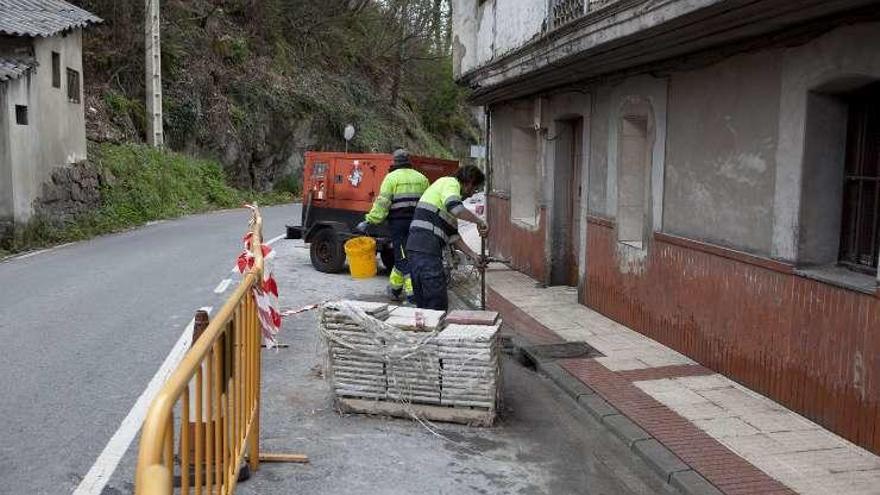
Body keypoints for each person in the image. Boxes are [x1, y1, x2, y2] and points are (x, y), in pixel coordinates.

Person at [406, 165, 488, 311]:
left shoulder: (442, 200)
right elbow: (456, 208)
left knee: (425, 306)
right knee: (436, 305)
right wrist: (479, 221)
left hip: (417, 249)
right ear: (469, 181)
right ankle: (434, 332)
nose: (471, 194)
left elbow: (454, 237)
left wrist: (473, 255)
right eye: (473, 189)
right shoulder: (450, 183)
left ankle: (427, 332)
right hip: (427, 250)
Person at [356, 149, 428, 304]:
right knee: (406, 256)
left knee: (403, 258)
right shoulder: (422, 178)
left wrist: (369, 221)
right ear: (409, 161)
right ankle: (394, 289)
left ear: (394, 162)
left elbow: (382, 204)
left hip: (399, 226)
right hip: (418, 225)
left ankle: (412, 296)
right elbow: (427, 203)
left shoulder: (391, 178)